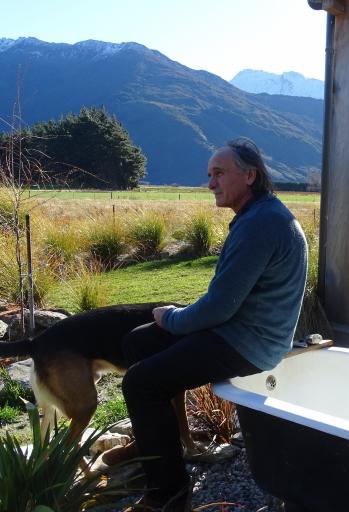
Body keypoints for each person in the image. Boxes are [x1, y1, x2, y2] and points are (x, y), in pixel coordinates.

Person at [120, 138, 308, 511]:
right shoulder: (260, 215)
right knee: (138, 343)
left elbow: (219, 308)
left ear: (250, 175)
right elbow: (225, 300)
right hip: (239, 328)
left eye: (219, 173)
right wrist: (171, 320)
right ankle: (154, 442)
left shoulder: (262, 224)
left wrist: (171, 316)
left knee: (140, 383)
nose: (210, 184)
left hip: (249, 342)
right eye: (209, 175)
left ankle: (168, 495)